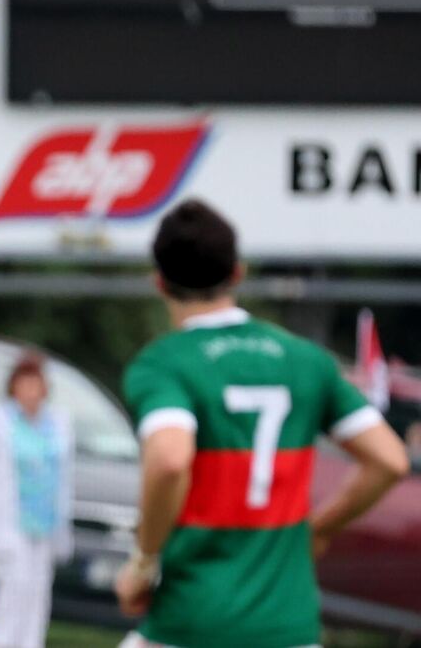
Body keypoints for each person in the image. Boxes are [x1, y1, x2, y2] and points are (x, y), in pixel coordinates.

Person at [114, 199, 410, 648]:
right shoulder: (306, 360)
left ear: (159, 282)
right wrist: (321, 529)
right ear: (237, 272)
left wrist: (143, 561)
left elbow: (170, 460)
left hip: (191, 622)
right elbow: (389, 460)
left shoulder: (164, 363)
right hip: (288, 627)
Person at [0, 353, 75, 648]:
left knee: (37, 594)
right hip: (9, 523)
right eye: (25, 383)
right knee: (12, 591)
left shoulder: (58, 422)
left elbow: (63, 474)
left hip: (44, 523)